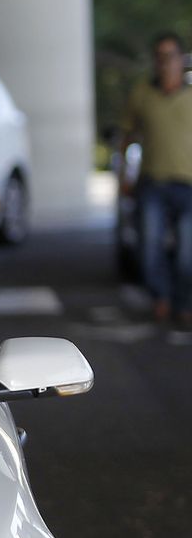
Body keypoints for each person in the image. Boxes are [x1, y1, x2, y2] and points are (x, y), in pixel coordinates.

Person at [120, 31, 192, 324]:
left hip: (189, 184)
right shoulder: (142, 95)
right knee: (149, 248)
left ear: (180, 60)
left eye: (170, 56)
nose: (165, 63)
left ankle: (184, 304)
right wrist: (125, 174)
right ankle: (161, 296)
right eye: (159, 57)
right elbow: (127, 135)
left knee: (188, 252)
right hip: (152, 182)